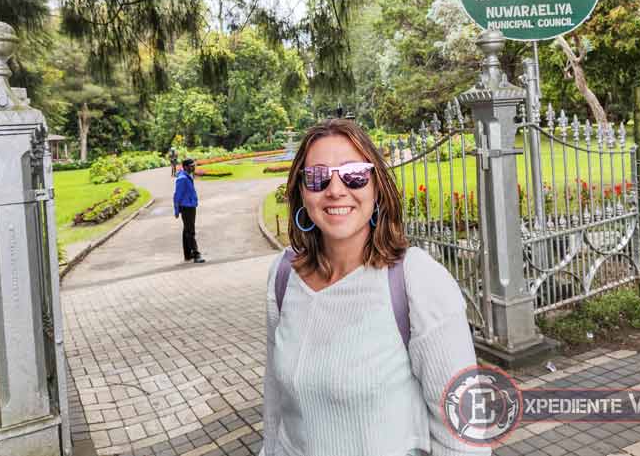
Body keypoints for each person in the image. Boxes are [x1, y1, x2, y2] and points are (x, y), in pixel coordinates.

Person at [260, 119, 488, 456]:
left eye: (354, 173)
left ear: (376, 187)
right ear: (301, 192)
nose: (335, 189)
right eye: (317, 177)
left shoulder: (416, 281)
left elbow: (462, 437)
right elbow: (275, 404)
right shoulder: (282, 277)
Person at [173, 159, 205, 263]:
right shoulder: (182, 179)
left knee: (186, 230)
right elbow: (177, 195)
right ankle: (196, 254)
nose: (193, 167)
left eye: (194, 165)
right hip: (186, 207)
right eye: (191, 166)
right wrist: (176, 210)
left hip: (190, 205)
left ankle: (187, 254)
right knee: (190, 231)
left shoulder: (187, 176)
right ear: (185, 167)